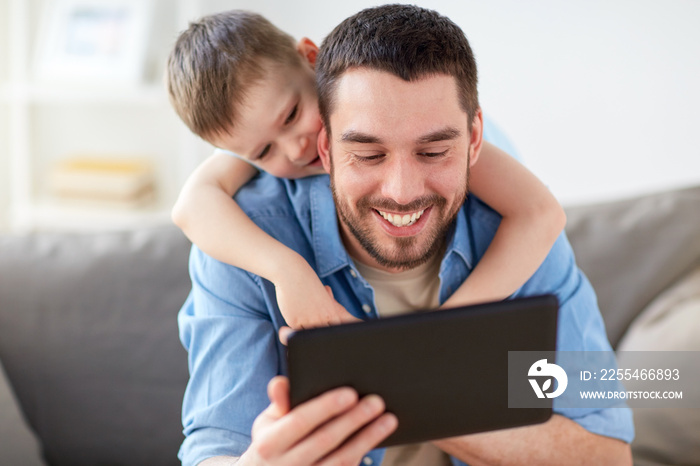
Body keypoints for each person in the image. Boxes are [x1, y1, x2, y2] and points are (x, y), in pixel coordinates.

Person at [176, 5, 635, 466]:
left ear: (471, 139)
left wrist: (409, 366)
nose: (402, 190)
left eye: (434, 151)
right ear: (327, 146)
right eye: (368, 153)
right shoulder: (246, 236)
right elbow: (214, 446)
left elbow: (607, 455)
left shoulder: (508, 223)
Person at [167, 10, 566, 331]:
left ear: (311, 57)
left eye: (292, 115)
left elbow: (540, 213)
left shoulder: (428, 131)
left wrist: (444, 330)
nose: (296, 148)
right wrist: (287, 271)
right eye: (264, 151)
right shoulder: (277, 140)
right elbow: (192, 205)